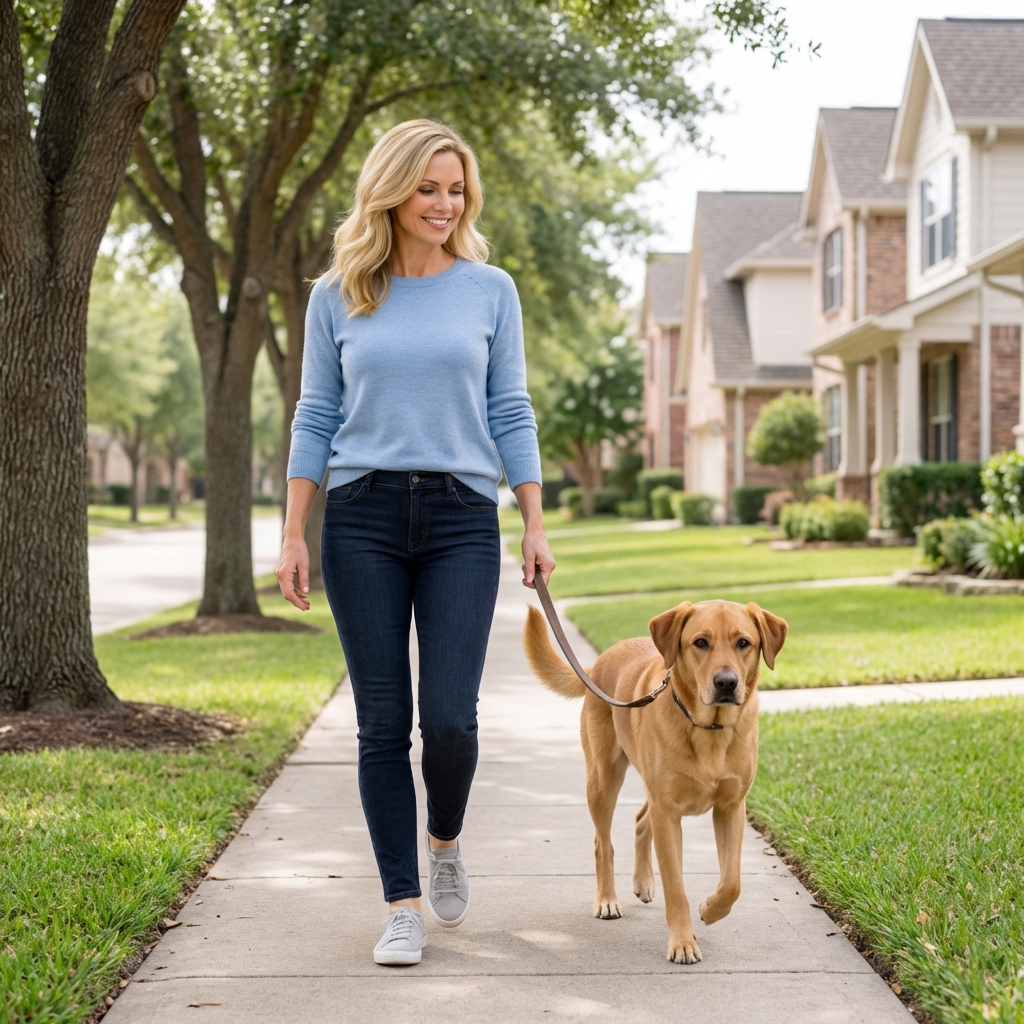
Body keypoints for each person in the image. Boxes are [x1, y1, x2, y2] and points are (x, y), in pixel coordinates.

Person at [276, 119, 555, 967]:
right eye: (428, 187)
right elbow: (316, 414)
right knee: (381, 725)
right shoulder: (339, 294)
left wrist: (534, 519)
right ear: (392, 191)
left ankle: (444, 840)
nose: (444, 203)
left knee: (451, 724)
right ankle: (401, 903)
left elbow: (511, 409)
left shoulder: (489, 289)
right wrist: (294, 528)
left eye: (456, 188)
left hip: (462, 516)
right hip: (359, 515)